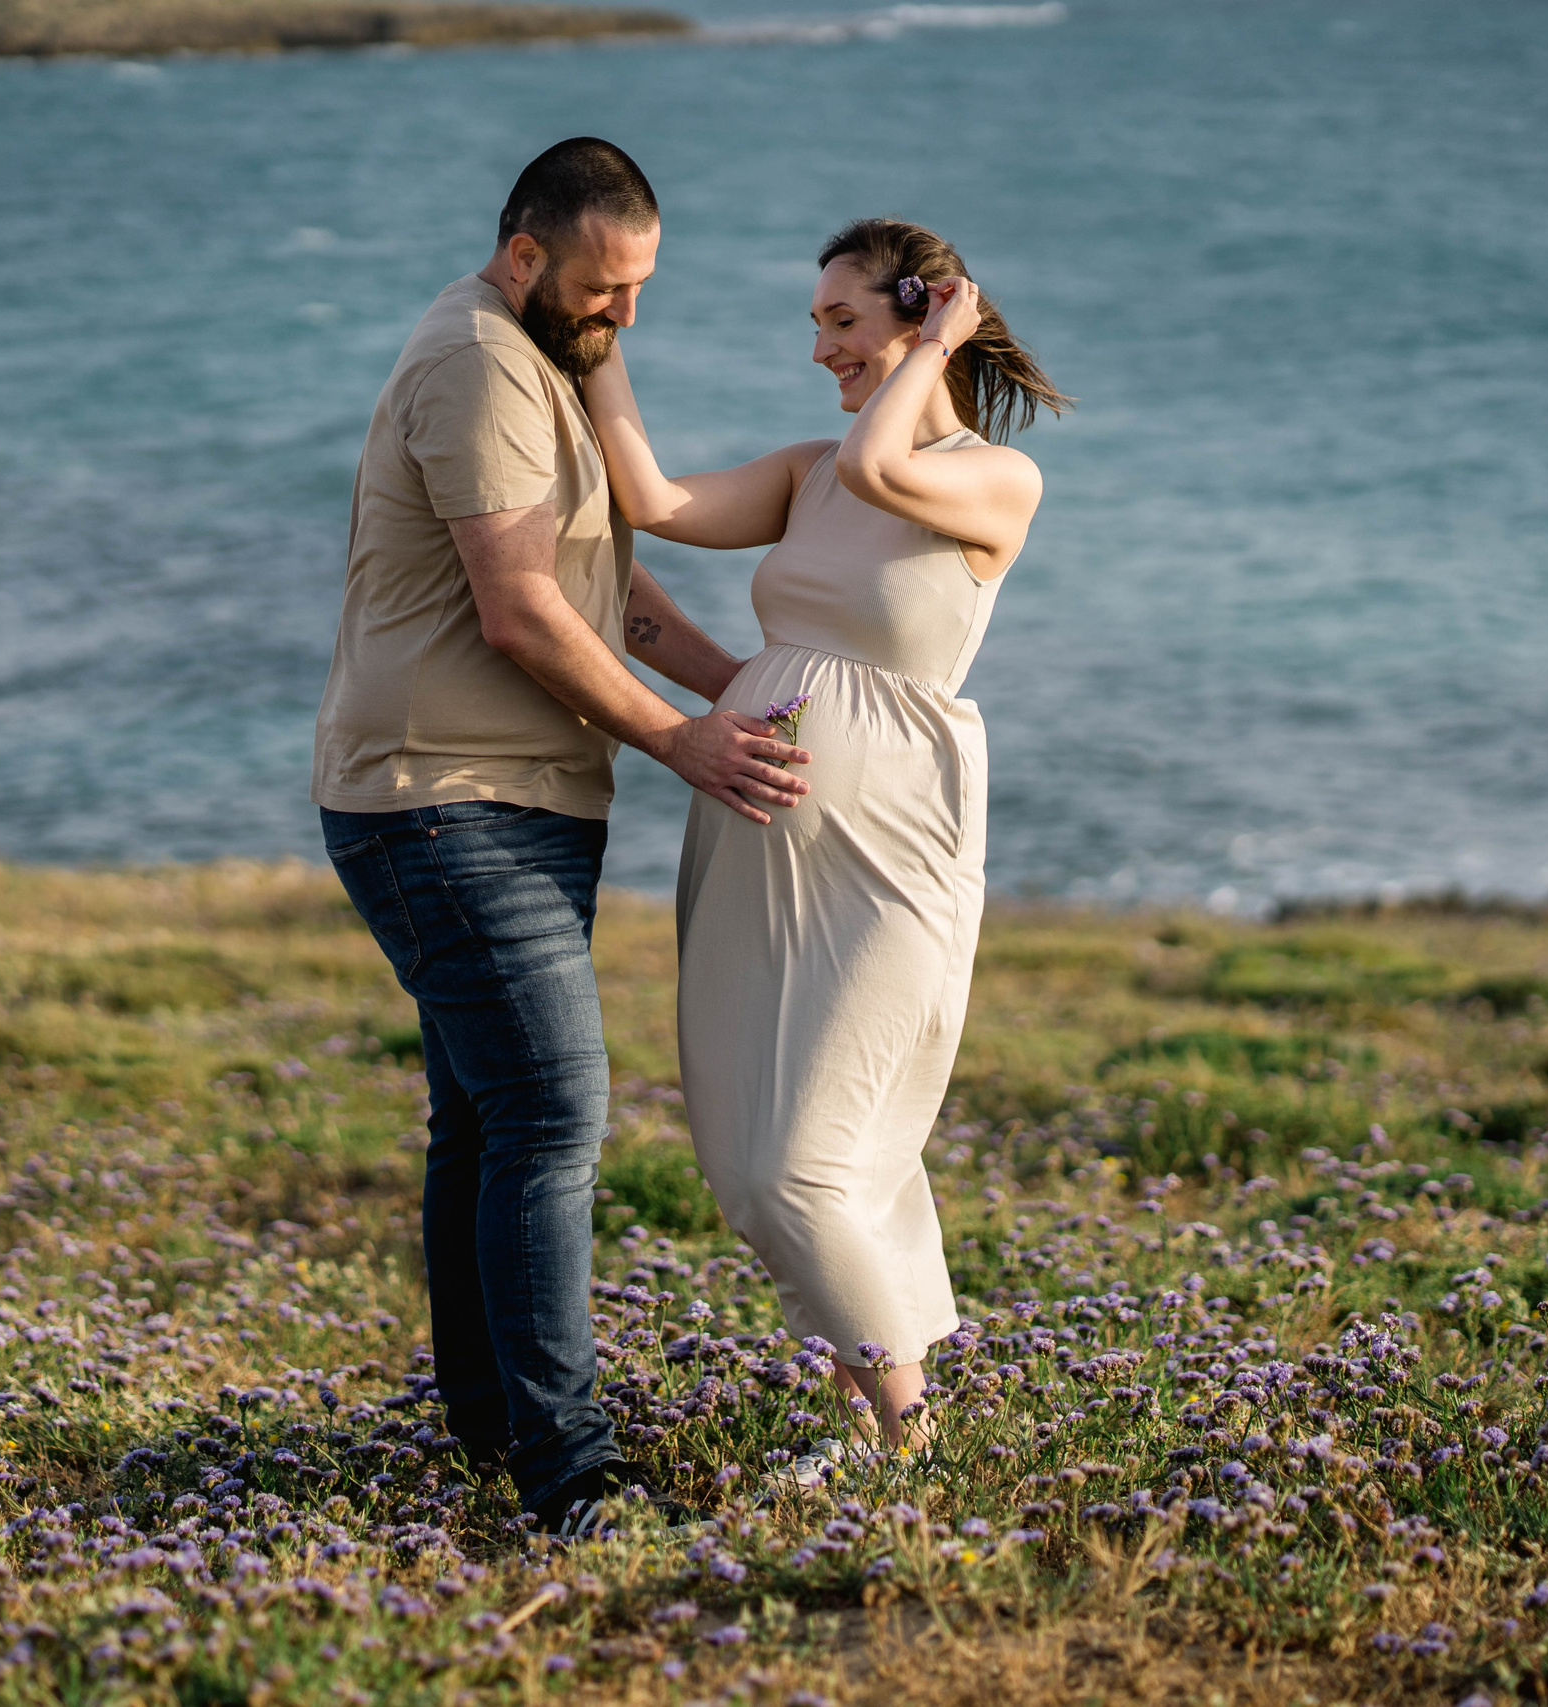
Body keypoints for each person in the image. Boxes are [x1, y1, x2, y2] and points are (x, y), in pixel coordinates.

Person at [311, 138, 812, 1533]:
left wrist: (748, 687)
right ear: (525, 254)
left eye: (642, 289)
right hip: (440, 797)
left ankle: (486, 1427)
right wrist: (679, 741)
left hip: (500, 795)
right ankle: (568, 1472)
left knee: (482, 1118)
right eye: (604, 288)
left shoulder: (549, 356)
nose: (625, 316)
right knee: (549, 1111)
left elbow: (610, 585)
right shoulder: (478, 361)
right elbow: (523, 607)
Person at [583, 217, 1067, 1462]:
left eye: (842, 322)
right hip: (753, 831)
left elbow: (880, 470)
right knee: (752, 1161)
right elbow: (652, 499)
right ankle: (866, 1432)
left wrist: (938, 348)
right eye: (816, 324)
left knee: (814, 1156)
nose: (820, 350)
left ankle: (917, 1451)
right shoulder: (811, 468)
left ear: (923, 320)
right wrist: (592, 340)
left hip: (889, 841)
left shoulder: (990, 480)